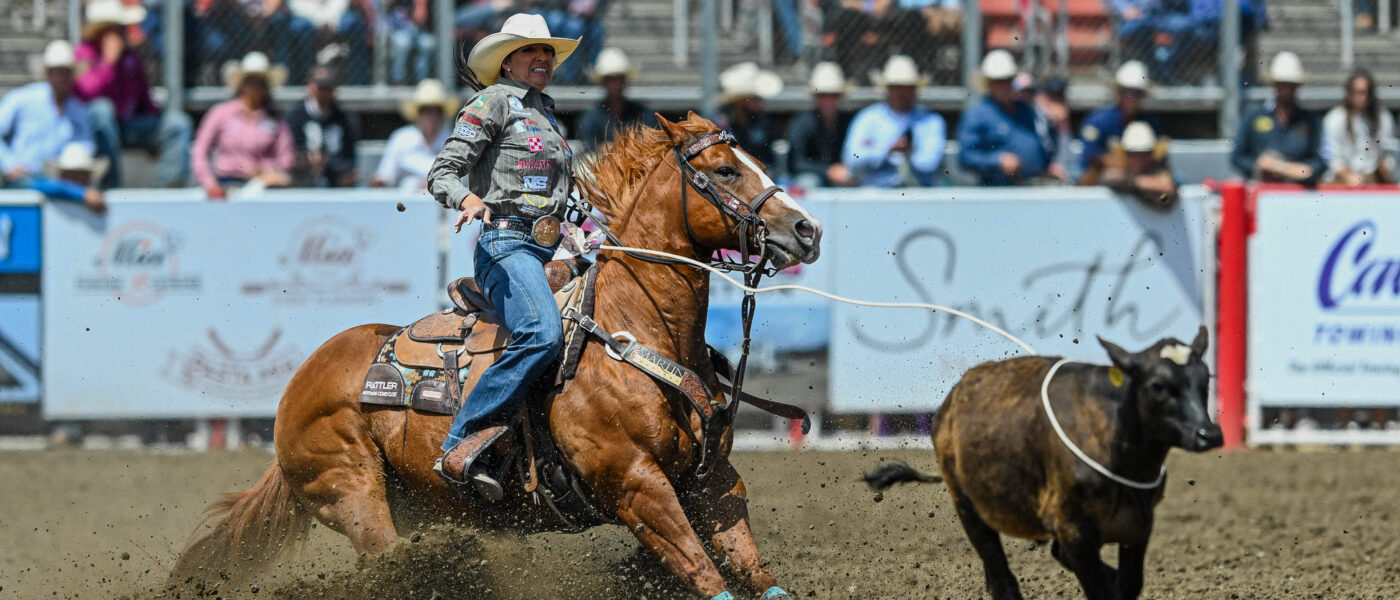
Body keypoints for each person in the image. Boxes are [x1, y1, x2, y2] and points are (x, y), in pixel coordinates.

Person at [425, 14, 578, 499]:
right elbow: (443, 172)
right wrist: (469, 200)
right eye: (531, 50)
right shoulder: (491, 102)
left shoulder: (548, 113)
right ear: (506, 61)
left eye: (548, 51)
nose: (542, 58)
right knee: (541, 333)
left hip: (553, 246)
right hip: (506, 246)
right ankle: (460, 442)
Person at [76, 0, 193, 188]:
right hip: (94, 131)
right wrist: (108, 64)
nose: (122, 33)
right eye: (117, 29)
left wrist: (152, 136)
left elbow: (144, 100)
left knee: (177, 124)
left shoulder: (131, 58)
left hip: (129, 126)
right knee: (102, 110)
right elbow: (87, 93)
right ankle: (110, 186)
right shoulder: (84, 54)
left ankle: (172, 187)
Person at [190, 52, 295, 199]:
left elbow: (286, 159)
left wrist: (264, 169)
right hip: (225, 183)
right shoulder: (221, 113)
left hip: (262, 185)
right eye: (251, 82)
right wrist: (210, 183)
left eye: (260, 83)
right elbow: (200, 151)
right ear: (242, 85)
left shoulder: (275, 121)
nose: (255, 88)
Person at [956, 50, 1062, 186]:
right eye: (999, 81)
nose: (1004, 85)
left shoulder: (1027, 110)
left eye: (1008, 80)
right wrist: (998, 161)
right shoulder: (977, 115)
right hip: (996, 189)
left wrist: (1048, 164)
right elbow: (966, 157)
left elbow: (1043, 142)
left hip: (1033, 184)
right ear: (989, 84)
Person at [0, 41, 93, 190]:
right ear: (48, 74)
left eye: (65, 72)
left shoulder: (78, 111)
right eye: (57, 72)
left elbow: (86, 144)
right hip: (22, 182)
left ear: (71, 75)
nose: (61, 78)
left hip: (59, 184)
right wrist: (9, 165)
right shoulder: (22, 99)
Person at [841, 55, 944, 187]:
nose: (901, 92)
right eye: (896, 87)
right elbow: (852, 158)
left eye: (906, 87)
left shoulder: (931, 121)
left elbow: (929, 163)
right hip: (875, 193)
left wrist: (906, 153)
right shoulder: (868, 118)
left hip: (918, 193)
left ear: (915, 90)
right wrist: (887, 150)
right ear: (887, 89)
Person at [1230, 52, 1324, 186]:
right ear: (1274, 84)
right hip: (1261, 189)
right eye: (1282, 84)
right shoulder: (1254, 117)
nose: (1286, 89)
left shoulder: (1310, 121)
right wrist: (1259, 166)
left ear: (1297, 86)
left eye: (1290, 84)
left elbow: (1320, 161)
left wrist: (1286, 168)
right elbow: (1238, 157)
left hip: (1296, 191)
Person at [370, 79, 457, 190]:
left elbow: (459, 180)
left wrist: (433, 185)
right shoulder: (401, 139)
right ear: (418, 113)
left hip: (442, 203)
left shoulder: (452, 141)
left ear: (442, 114)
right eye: (426, 110)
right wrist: (379, 182)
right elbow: (386, 175)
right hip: (405, 203)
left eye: (437, 110)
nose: (432, 115)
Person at [285, 65, 360, 187]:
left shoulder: (345, 119)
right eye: (320, 87)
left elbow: (349, 159)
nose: (324, 92)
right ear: (309, 86)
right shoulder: (295, 116)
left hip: (336, 181)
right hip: (302, 180)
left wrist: (327, 162)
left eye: (328, 87)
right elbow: (288, 152)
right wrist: (306, 159)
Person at [1080, 61, 1159, 175]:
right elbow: (1091, 158)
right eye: (1127, 92)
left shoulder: (1150, 123)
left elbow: (1157, 157)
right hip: (1103, 178)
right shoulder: (1099, 121)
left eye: (1136, 93)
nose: (1131, 97)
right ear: (1118, 93)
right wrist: (1129, 163)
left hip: (1139, 178)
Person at [1322, 68, 1396, 186]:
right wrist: (1347, 176)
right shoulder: (1335, 119)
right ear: (1349, 93)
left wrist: (1386, 170)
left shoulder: (1383, 118)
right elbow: (1331, 157)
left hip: (1373, 180)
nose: (1363, 97)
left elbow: (1388, 153)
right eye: (1358, 92)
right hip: (1342, 180)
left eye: (1366, 92)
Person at [1081, 121, 1178, 210]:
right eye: (1134, 153)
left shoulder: (1159, 170)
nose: (1140, 159)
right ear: (1125, 154)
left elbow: (1165, 200)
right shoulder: (1112, 168)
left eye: (1145, 153)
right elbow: (1100, 180)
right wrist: (1141, 182)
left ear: (1152, 154)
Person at [786, 61, 854, 188]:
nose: (828, 100)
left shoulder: (847, 121)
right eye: (823, 95)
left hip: (842, 176)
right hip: (812, 177)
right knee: (809, 182)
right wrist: (828, 171)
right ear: (815, 97)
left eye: (833, 95)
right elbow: (796, 162)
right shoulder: (802, 123)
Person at [576, 48, 657, 152]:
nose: (615, 84)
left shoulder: (644, 115)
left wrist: (613, 148)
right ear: (603, 83)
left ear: (625, 81)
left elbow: (654, 145)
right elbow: (589, 150)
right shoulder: (590, 118)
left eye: (618, 78)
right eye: (610, 79)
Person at [712, 62, 782, 165]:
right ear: (740, 101)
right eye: (756, 98)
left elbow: (768, 158)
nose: (760, 102)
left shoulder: (762, 123)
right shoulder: (717, 125)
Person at [32, 142, 108, 214]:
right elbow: (42, 185)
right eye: (72, 174)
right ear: (62, 175)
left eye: (81, 173)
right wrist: (82, 193)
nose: (78, 178)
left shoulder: (97, 192)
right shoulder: (50, 186)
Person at [384, 0, 436, 84]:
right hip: (396, 29)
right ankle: (399, 82)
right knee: (402, 43)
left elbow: (420, 17)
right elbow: (385, 5)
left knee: (427, 44)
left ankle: (422, 83)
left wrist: (419, 3)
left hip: (418, 31)